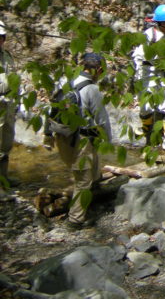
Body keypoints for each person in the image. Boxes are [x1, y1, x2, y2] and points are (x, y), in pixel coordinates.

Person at [53, 52, 112, 228]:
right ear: (99, 69)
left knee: (91, 170)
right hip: (81, 139)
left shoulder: (67, 80)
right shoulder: (92, 89)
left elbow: (52, 108)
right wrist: (108, 141)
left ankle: (93, 197)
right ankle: (75, 220)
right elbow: (101, 119)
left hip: (63, 135)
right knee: (82, 180)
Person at [131, 4, 165, 149]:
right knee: (145, 106)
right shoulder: (149, 35)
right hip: (147, 73)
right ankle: (146, 128)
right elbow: (138, 57)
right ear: (163, 23)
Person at [0, 21, 17, 196]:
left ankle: (4, 178)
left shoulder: (6, 55)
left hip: (8, 104)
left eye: (1, 37)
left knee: (6, 143)